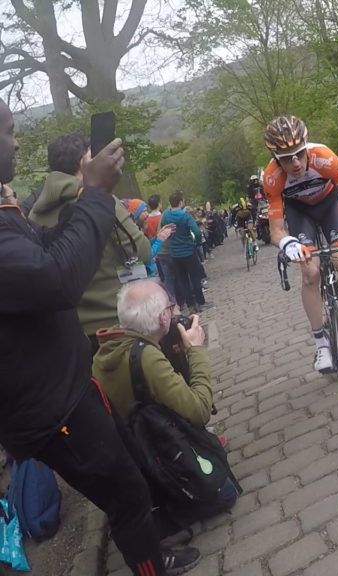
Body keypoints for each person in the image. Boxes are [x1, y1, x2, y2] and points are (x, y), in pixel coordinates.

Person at [0, 101, 199, 576]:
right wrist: (93, 196)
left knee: (126, 461)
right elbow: (56, 281)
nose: (17, 141)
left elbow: (41, 250)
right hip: (49, 408)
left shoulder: (7, 203)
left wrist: (85, 205)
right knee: (124, 491)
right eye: (8, 131)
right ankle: (151, 565)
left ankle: (152, 540)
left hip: (67, 384)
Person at [93, 279, 237, 535]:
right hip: (158, 456)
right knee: (226, 493)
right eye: (171, 308)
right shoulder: (145, 357)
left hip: (134, 456)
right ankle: (165, 522)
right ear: (162, 319)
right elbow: (199, 410)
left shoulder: (109, 347)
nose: (175, 312)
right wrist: (196, 350)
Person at [262, 115, 338, 373]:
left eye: (299, 154)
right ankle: (321, 344)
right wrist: (287, 243)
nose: (296, 163)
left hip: (329, 204)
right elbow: (276, 230)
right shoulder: (272, 177)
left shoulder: (324, 157)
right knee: (310, 273)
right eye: (287, 158)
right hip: (300, 212)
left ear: (306, 147)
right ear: (276, 157)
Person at [29, 132, 154, 348]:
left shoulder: (33, 215)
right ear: (83, 163)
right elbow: (142, 251)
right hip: (118, 324)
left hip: (72, 338)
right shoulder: (101, 200)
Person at [161, 191, 210, 314]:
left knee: (182, 280)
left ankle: (190, 305)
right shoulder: (186, 216)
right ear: (181, 202)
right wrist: (196, 243)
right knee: (195, 277)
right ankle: (201, 302)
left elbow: (164, 230)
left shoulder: (166, 216)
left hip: (174, 253)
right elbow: (197, 232)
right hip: (188, 251)